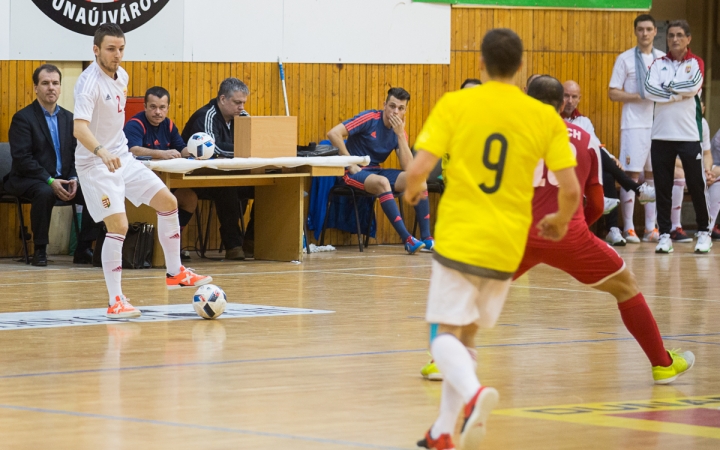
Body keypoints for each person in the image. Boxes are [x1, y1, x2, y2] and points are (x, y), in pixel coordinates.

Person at [406, 29, 581, 450]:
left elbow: (417, 173)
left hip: (461, 238)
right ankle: (443, 432)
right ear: (521, 68)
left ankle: (475, 395)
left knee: (443, 335)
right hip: (508, 244)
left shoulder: (457, 103)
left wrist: (410, 190)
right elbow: (571, 190)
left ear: (480, 63)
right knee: (466, 336)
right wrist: (558, 220)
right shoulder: (543, 117)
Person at [516, 75, 694, 386]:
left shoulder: (508, 137)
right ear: (562, 105)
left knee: (475, 292)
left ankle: (441, 362)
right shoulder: (585, 139)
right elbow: (597, 204)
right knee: (626, 287)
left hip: (517, 235)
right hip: (569, 236)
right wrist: (576, 231)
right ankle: (662, 364)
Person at [73, 24, 212, 319]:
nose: (117, 55)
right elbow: (79, 128)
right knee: (119, 226)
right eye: (111, 49)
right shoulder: (88, 84)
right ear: (96, 50)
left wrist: (114, 151)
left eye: (121, 49)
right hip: (96, 164)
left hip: (121, 157)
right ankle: (116, 301)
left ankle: (175, 272)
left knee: (169, 203)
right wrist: (101, 151)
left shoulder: (121, 75)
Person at [4, 64, 98, 266]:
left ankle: (83, 248)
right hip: (28, 179)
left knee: (95, 190)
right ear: (36, 87)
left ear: (61, 87)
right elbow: (22, 158)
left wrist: (73, 177)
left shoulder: (70, 118)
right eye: (45, 83)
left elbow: (77, 155)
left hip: (63, 178)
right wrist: (50, 180)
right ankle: (40, 250)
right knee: (45, 192)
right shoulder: (23, 118)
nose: (51, 88)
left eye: (55, 83)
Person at [420, 78, 482, 382]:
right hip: (461, 217)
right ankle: (458, 361)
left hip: (471, 220)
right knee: (457, 291)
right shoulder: (457, 127)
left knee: (448, 290)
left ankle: (442, 358)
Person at [327, 87, 433, 254]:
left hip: (375, 172)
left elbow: (409, 169)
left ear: (405, 111)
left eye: (400, 108)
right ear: (384, 105)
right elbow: (333, 133)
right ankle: (407, 239)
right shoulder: (369, 118)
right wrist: (349, 162)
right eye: (392, 106)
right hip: (352, 173)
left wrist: (399, 136)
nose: (395, 111)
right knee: (383, 182)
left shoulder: (400, 132)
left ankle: (427, 239)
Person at [644, 20, 711, 253]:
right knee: (662, 187)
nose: (674, 39)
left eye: (680, 35)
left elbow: (693, 86)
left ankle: (704, 232)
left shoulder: (696, 63)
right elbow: (648, 90)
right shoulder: (657, 63)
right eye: (671, 35)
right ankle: (664, 234)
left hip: (689, 136)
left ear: (688, 39)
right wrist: (675, 93)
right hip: (660, 136)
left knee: (695, 184)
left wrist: (666, 88)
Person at [562, 80, 655, 246]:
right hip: (564, 169)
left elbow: (596, 145)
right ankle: (637, 189)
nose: (570, 100)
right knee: (601, 162)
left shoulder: (584, 121)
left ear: (579, 99)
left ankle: (612, 229)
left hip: (584, 167)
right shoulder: (553, 119)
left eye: (574, 97)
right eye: (566, 96)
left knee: (607, 172)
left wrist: (611, 158)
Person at [182, 78, 254, 260]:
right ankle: (233, 245)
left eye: (244, 103)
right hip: (199, 178)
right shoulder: (206, 116)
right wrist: (243, 150)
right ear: (223, 99)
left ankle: (253, 241)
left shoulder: (243, 117)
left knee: (269, 187)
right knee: (228, 186)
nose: (242, 107)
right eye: (237, 103)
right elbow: (212, 150)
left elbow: (256, 142)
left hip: (232, 174)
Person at [608, 14, 664, 244]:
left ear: (655, 32)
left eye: (649, 29)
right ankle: (629, 228)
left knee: (653, 176)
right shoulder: (625, 59)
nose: (645, 33)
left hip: (659, 124)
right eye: (640, 29)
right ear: (635, 31)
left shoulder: (663, 59)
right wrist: (639, 95)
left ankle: (650, 228)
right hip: (633, 125)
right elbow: (612, 92)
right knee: (631, 175)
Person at [123, 86, 198, 248]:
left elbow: (181, 148)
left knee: (189, 198)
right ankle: (156, 246)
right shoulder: (135, 124)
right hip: (138, 186)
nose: (158, 112)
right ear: (145, 107)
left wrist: (195, 151)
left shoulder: (169, 125)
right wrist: (162, 153)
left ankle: (173, 240)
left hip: (165, 181)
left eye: (162, 107)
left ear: (168, 108)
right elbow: (133, 150)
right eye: (153, 107)